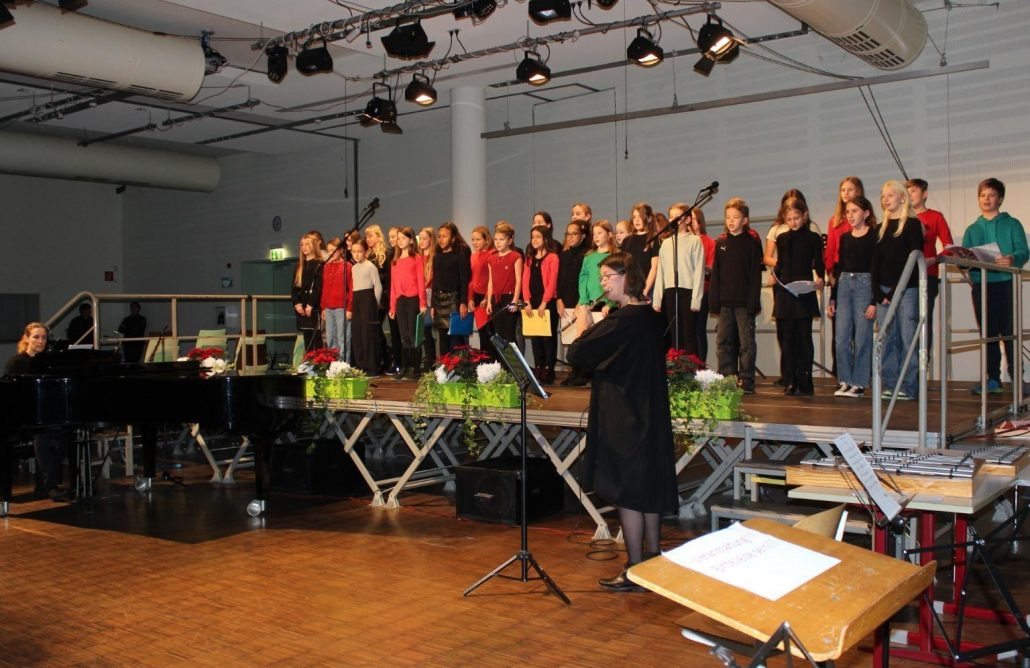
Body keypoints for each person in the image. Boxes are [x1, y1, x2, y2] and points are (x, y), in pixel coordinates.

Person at [567, 253, 678, 592]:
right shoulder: (654, 318)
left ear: (626, 277)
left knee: (627, 490)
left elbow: (577, 355)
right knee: (648, 487)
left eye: (607, 277)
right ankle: (654, 560)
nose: (602, 283)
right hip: (651, 411)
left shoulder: (621, 322)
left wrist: (584, 322)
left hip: (623, 412)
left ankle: (634, 569)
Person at [962, 177, 1029, 395]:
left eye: (991, 195)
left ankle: (1017, 378)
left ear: (1000, 199)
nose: (986, 199)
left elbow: (1024, 251)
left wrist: (1012, 258)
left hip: (1006, 282)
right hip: (982, 285)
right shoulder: (972, 229)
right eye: (982, 195)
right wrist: (962, 261)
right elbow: (965, 257)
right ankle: (992, 378)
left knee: (1009, 332)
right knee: (988, 334)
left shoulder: (1013, 224)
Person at [871, 180, 924, 400]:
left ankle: (908, 386)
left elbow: (914, 261)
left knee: (907, 337)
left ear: (902, 197)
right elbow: (874, 263)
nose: (886, 199)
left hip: (906, 290)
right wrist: (877, 292)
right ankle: (890, 384)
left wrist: (895, 292)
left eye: (890, 195)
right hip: (883, 291)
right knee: (886, 339)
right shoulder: (880, 228)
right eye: (883, 196)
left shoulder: (912, 225)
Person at [5, 323, 70, 501]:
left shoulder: (49, 363)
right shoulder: (16, 362)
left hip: (45, 414)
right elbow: (12, 394)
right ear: (26, 338)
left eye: (44, 338)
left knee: (61, 440)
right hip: (22, 416)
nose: (40, 341)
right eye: (36, 337)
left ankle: (42, 485)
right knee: (42, 437)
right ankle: (51, 486)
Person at [709, 198, 763, 394]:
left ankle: (747, 380)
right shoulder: (721, 243)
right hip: (725, 302)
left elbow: (755, 276)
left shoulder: (751, 243)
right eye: (728, 217)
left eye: (736, 217)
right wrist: (714, 301)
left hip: (744, 303)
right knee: (723, 342)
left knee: (746, 343)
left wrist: (753, 302)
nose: (731, 221)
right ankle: (727, 379)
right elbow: (716, 274)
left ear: (745, 220)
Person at [773, 196, 825, 396]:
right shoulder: (782, 239)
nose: (793, 222)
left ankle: (806, 379)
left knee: (804, 338)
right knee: (786, 339)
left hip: (803, 292)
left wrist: (820, 278)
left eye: (796, 218)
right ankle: (791, 379)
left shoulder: (813, 238)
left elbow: (818, 263)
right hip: (786, 291)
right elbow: (780, 264)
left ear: (804, 216)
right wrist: (774, 275)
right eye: (789, 219)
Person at [826, 195, 877, 398]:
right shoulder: (845, 237)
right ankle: (844, 380)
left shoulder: (874, 236)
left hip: (865, 283)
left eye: (854, 211)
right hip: (845, 284)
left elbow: (876, 267)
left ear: (866, 213)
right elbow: (840, 267)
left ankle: (860, 382)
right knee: (841, 336)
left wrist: (874, 300)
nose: (850, 215)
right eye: (847, 212)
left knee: (862, 336)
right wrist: (833, 297)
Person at [906, 178, 954, 363]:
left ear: (924, 194)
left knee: (923, 319)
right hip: (904, 277)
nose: (909, 195)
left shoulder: (935, 217)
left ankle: (921, 365)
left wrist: (934, 259)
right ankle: (906, 366)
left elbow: (949, 246)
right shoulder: (902, 217)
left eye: (913, 191)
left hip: (928, 275)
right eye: (907, 191)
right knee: (905, 321)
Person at [652, 202, 705, 354]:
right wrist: (657, 298)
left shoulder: (695, 241)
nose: (674, 219)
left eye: (678, 216)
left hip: (688, 291)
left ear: (687, 220)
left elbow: (699, 271)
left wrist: (696, 299)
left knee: (689, 335)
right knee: (675, 334)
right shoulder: (666, 243)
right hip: (670, 292)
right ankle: (676, 366)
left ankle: (692, 366)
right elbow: (660, 272)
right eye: (671, 216)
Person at [522, 224, 559, 384]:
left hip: (547, 302)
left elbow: (552, 282)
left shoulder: (552, 258)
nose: (534, 240)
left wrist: (544, 302)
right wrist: (527, 301)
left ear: (545, 239)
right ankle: (538, 367)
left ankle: (548, 370)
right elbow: (525, 282)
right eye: (532, 237)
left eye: (538, 237)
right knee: (535, 338)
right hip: (532, 303)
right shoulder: (529, 259)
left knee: (547, 338)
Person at [389, 227, 427, 380]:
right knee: (404, 335)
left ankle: (416, 368)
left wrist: (422, 302)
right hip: (400, 300)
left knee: (413, 334)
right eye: (398, 238)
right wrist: (392, 306)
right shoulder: (395, 261)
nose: (400, 241)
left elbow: (421, 281)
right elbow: (393, 285)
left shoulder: (416, 258)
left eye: (403, 238)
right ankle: (405, 367)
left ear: (411, 240)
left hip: (413, 299)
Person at [557, 219, 589, 383]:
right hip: (566, 301)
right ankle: (573, 371)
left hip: (580, 301)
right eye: (567, 234)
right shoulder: (564, 255)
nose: (570, 237)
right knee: (569, 337)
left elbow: (586, 280)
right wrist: (559, 299)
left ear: (583, 236)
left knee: (581, 337)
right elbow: (560, 279)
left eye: (574, 234)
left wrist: (581, 301)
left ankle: (582, 372)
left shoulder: (586, 254)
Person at [432, 221, 471, 354]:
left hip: (454, 299)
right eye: (439, 236)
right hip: (439, 300)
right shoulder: (437, 257)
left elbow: (464, 280)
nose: (441, 239)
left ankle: (457, 365)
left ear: (453, 238)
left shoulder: (459, 256)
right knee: (442, 337)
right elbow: (435, 281)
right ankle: (444, 364)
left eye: (445, 236)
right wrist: (433, 305)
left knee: (455, 337)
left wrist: (463, 302)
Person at [486, 222, 523, 353]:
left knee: (509, 335)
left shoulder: (515, 257)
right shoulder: (491, 259)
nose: (498, 242)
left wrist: (515, 300)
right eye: (496, 239)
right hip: (496, 299)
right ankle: (503, 363)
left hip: (509, 298)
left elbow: (519, 280)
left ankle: (514, 364)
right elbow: (490, 281)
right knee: (499, 335)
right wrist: (489, 301)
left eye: (501, 239)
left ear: (509, 241)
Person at [349, 238, 383, 376]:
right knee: (357, 333)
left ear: (366, 252)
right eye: (354, 252)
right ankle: (360, 365)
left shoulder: (370, 266)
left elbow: (378, 286)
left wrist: (375, 304)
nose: (356, 254)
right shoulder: (353, 268)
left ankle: (371, 367)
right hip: (357, 299)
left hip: (368, 300)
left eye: (360, 251)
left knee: (368, 334)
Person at [687, 208, 716, 363]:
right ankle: (688, 364)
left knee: (698, 329)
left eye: (694, 219)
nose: (691, 222)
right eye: (689, 219)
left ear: (700, 221)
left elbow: (711, 268)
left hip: (702, 290)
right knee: (688, 330)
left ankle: (701, 365)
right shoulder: (684, 241)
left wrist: (698, 266)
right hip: (686, 289)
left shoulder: (709, 242)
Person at [365, 224, 394, 373]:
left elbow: (388, 277)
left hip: (383, 296)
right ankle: (381, 357)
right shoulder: (368, 255)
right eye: (366, 236)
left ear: (378, 236)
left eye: (371, 236)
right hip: (370, 297)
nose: (368, 239)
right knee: (373, 329)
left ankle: (388, 357)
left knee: (378, 328)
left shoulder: (387, 253)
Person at [321, 237, 353, 360]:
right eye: (329, 250)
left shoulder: (347, 266)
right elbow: (324, 289)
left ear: (340, 250)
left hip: (341, 307)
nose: (331, 253)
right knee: (330, 338)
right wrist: (323, 307)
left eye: (333, 250)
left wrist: (349, 308)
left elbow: (351, 288)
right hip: (329, 308)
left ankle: (343, 365)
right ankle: (333, 364)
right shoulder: (326, 267)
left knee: (342, 338)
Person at [292, 232, 324, 352]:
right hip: (302, 307)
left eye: (307, 244)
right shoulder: (299, 265)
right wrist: (297, 303)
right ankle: (308, 361)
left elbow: (318, 287)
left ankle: (319, 361)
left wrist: (311, 305)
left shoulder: (319, 264)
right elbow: (294, 287)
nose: (304, 247)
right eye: (302, 244)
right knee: (307, 337)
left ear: (314, 246)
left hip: (313, 307)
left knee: (316, 337)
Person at [621, 203, 660, 297]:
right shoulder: (627, 241)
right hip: (630, 288)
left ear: (649, 218)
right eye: (634, 217)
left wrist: (645, 291)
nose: (637, 220)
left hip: (648, 289)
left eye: (640, 216)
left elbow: (654, 268)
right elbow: (623, 267)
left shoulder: (654, 239)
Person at [467, 225, 494, 357]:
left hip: (488, 297)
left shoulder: (492, 254)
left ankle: (491, 361)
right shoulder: (473, 256)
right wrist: (470, 298)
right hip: (477, 296)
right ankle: (484, 361)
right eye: (473, 239)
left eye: (478, 239)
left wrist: (487, 298)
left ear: (486, 239)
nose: (474, 242)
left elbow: (492, 279)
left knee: (489, 332)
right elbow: (472, 279)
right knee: (482, 332)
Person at [418, 226, 438, 371]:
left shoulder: (435, 257)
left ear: (431, 239)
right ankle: (427, 360)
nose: (421, 241)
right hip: (419, 295)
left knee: (429, 328)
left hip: (430, 295)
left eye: (425, 238)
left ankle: (432, 360)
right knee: (422, 330)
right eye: (420, 238)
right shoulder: (417, 257)